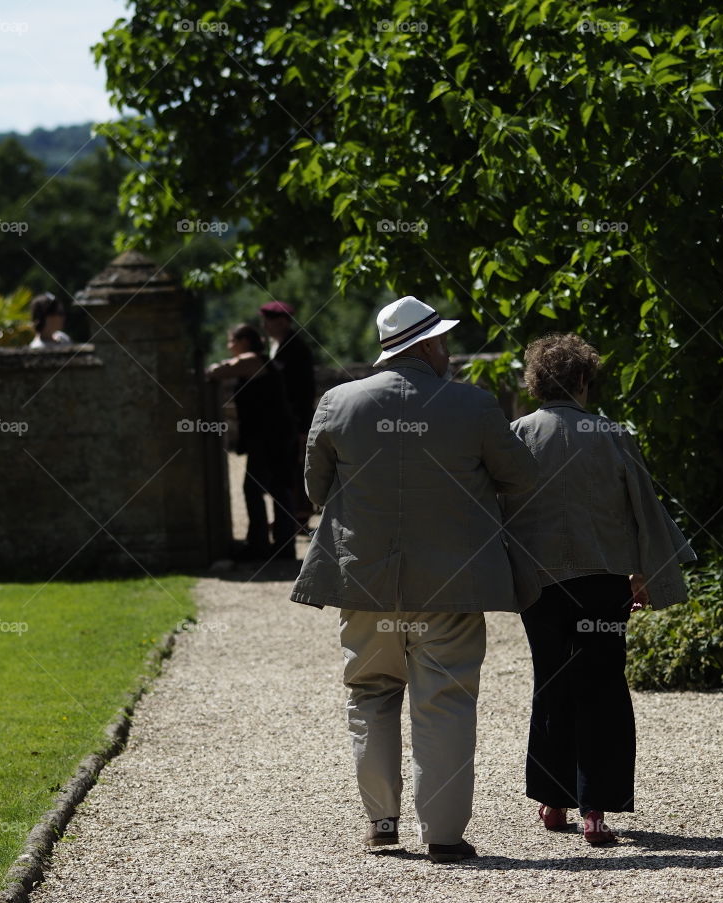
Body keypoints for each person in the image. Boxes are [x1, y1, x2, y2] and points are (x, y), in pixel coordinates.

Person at [291, 295, 541, 863]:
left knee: (371, 692)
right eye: (444, 341)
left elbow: (315, 489)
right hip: (451, 582)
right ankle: (445, 835)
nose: (449, 351)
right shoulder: (472, 405)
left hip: (366, 582)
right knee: (446, 698)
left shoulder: (338, 402)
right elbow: (521, 476)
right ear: (426, 345)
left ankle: (382, 823)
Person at [502, 332, 696, 845]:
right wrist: (648, 573)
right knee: (603, 687)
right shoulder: (612, 434)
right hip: (604, 583)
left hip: (540, 584)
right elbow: (643, 510)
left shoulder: (516, 433)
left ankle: (553, 799)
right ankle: (595, 810)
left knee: (551, 683)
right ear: (584, 379)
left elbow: (497, 512)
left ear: (537, 381)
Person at [207, 323, 297, 561]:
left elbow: (219, 371)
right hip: (274, 435)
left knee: (255, 488)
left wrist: (212, 368)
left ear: (244, 341)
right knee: (279, 487)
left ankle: (259, 545)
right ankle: (283, 546)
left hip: (268, 437)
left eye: (231, 342)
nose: (229, 347)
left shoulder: (251, 359)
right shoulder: (262, 361)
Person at [259, 300, 316, 531]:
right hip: (286, 421)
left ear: (282, 321)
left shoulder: (295, 349)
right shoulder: (282, 345)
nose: (265, 326)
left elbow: (304, 391)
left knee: (295, 467)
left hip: (294, 421)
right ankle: (292, 516)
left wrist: (303, 426)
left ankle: (297, 518)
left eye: (269, 322)